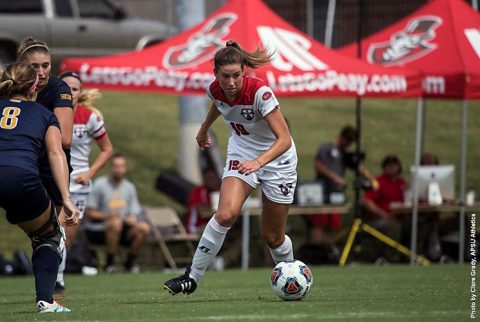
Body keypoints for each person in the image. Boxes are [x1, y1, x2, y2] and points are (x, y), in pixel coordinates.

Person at [164, 40, 298, 295]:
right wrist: (204, 128)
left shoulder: (261, 93)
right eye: (225, 76)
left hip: (277, 160)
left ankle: (290, 274)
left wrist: (258, 163)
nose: (232, 82)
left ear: (244, 71)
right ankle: (192, 277)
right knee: (225, 214)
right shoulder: (215, 90)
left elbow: (285, 139)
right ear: (215, 74)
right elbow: (219, 103)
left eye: (237, 75)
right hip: (242, 152)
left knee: (272, 237)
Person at [0, 62, 79, 313]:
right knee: (48, 236)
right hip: (20, 178)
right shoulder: (44, 114)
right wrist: (65, 198)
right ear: (35, 89)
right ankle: (46, 300)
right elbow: (57, 154)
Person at [54, 72, 113, 296]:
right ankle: (56, 280)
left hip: (78, 184)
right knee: (54, 230)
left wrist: (89, 173)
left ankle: (56, 276)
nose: (70, 92)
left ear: (81, 92)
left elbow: (107, 150)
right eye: (66, 87)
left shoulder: (90, 117)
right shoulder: (48, 113)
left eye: (75, 88)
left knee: (67, 237)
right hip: (54, 181)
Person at [309, 126, 377, 249]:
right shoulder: (327, 148)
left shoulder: (343, 153)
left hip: (336, 194)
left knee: (332, 224)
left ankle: (327, 252)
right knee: (319, 223)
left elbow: (357, 166)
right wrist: (334, 177)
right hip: (322, 192)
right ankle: (316, 252)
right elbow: (318, 165)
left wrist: (370, 178)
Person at [84, 154, 151, 273]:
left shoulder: (129, 187)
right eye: (116, 166)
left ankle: (130, 262)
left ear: (125, 168)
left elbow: (135, 212)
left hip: (123, 227)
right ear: (111, 168)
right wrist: (107, 215)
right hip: (100, 228)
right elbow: (89, 212)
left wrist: (132, 218)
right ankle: (110, 263)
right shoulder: (100, 184)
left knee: (144, 228)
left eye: (121, 166)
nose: (119, 169)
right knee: (115, 223)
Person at [363, 154, 407, 262]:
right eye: (389, 165)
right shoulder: (378, 182)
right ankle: (393, 258)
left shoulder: (403, 183)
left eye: (394, 165)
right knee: (394, 227)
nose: (392, 168)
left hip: (401, 218)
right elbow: (366, 201)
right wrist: (384, 215)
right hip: (381, 219)